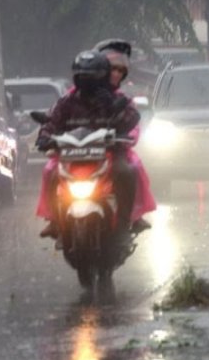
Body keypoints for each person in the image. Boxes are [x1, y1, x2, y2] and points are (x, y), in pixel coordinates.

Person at [36, 50, 140, 240]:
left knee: (126, 172)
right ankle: (55, 222)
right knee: (51, 174)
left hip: (108, 154)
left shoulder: (115, 99)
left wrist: (115, 111)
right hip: (72, 157)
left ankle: (124, 224)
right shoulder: (67, 102)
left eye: (92, 77)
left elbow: (132, 117)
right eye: (82, 77)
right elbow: (51, 122)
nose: (87, 81)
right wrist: (44, 137)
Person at [94, 38, 155, 233]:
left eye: (120, 70)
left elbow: (133, 124)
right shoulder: (74, 96)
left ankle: (129, 217)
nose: (115, 74)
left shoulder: (123, 99)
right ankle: (56, 220)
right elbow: (57, 119)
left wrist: (127, 137)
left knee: (131, 169)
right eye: (111, 69)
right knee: (51, 170)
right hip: (79, 153)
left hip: (113, 152)